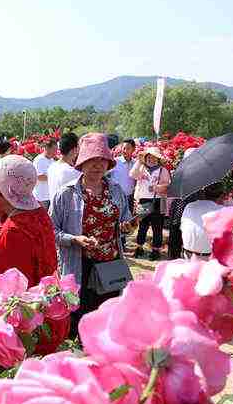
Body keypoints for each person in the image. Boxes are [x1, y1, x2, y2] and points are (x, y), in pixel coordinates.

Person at [0, 155, 68, 355]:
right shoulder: (38, 212)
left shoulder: (13, 231)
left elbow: (12, 292)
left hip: (29, 325)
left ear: (3, 192)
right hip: (49, 310)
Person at [50, 134, 133, 327]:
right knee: (81, 318)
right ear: (81, 163)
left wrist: (127, 226)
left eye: (102, 160)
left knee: (107, 317)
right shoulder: (66, 194)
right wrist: (73, 239)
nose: (98, 165)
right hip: (80, 266)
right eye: (92, 161)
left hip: (110, 264)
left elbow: (125, 220)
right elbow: (51, 230)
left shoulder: (116, 191)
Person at [130, 147, 171, 260]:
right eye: (148, 157)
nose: (151, 159)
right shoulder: (142, 168)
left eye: (153, 157)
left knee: (157, 227)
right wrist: (139, 160)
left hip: (159, 201)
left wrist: (157, 188)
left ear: (158, 159)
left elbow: (167, 186)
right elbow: (132, 174)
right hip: (143, 201)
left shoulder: (163, 170)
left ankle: (156, 250)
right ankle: (139, 247)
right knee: (142, 226)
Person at [180, 182, 228, 258]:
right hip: (209, 258)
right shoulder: (222, 210)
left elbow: (183, 227)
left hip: (188, 254)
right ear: (222, 196)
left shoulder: (189, 206)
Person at [47, 132, 81, 202]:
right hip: (65, 211)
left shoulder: (52, 167)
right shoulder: (73, 173)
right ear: (74, 150)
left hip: (53, 209)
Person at [33, 139, 58, 207]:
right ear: (47, 148)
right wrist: (56, 177)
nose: (56, 152)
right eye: (54, 149)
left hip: (50, 195)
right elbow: (39, 177)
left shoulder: (52, 160)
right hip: (42, 197)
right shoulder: (39, 160)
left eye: (56, 149)